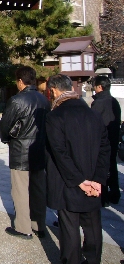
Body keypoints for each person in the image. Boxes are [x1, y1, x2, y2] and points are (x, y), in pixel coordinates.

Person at [45, 74, 110, 264]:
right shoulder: (94, 114)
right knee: (92, 226)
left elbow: (59, 152)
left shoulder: (55, 116)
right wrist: (97, 179)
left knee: (70, 228)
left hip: (68, 181)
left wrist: (80, 181)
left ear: (54, 90)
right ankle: (93, 259)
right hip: (92, 179)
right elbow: (105, 148)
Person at [0, 66, 50, 239]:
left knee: (20, 190)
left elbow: (5, 124)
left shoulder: (17, 100)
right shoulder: (44, 100)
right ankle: (39, 224)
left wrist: (6, 138)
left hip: (21, 150)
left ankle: (23, 227)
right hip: (39, 149)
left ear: (20, 82)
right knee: (38, 190)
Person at [91, 75, 122, 205]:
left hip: (101, 141)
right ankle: (114, 193)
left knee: (101, 168)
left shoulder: (98, 103)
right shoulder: (114, 101)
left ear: (100, 87)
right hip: (113, 140)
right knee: (112, 166)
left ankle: (102, 197)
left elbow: (93, 123)